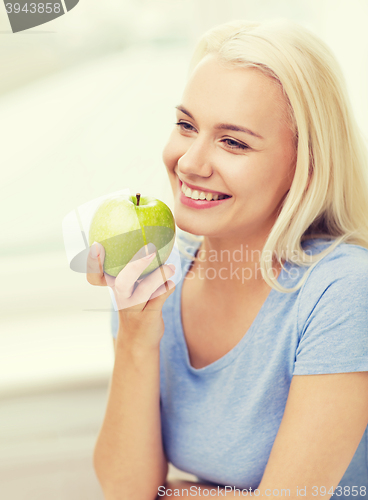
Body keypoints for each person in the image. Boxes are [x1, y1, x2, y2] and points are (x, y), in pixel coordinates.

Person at [88, 18, 368, 500]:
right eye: (186, 126)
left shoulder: (343, 291)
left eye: (233, 141)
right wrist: (136, 331)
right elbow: (127, 490)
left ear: (305, 166)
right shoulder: (154, 278)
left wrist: (178, 493)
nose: (191, 162)